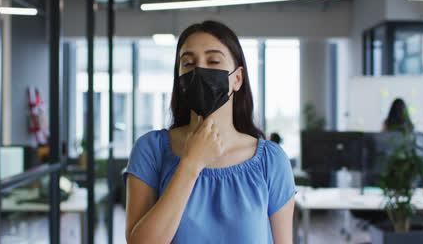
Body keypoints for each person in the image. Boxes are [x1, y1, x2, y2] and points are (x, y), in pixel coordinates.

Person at [123, 20, 296, 244]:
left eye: (213, 61)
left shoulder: (270, 161)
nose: (199, 71)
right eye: (188, 63)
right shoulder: (151, 150)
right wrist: (191, 163)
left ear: (237, 78)